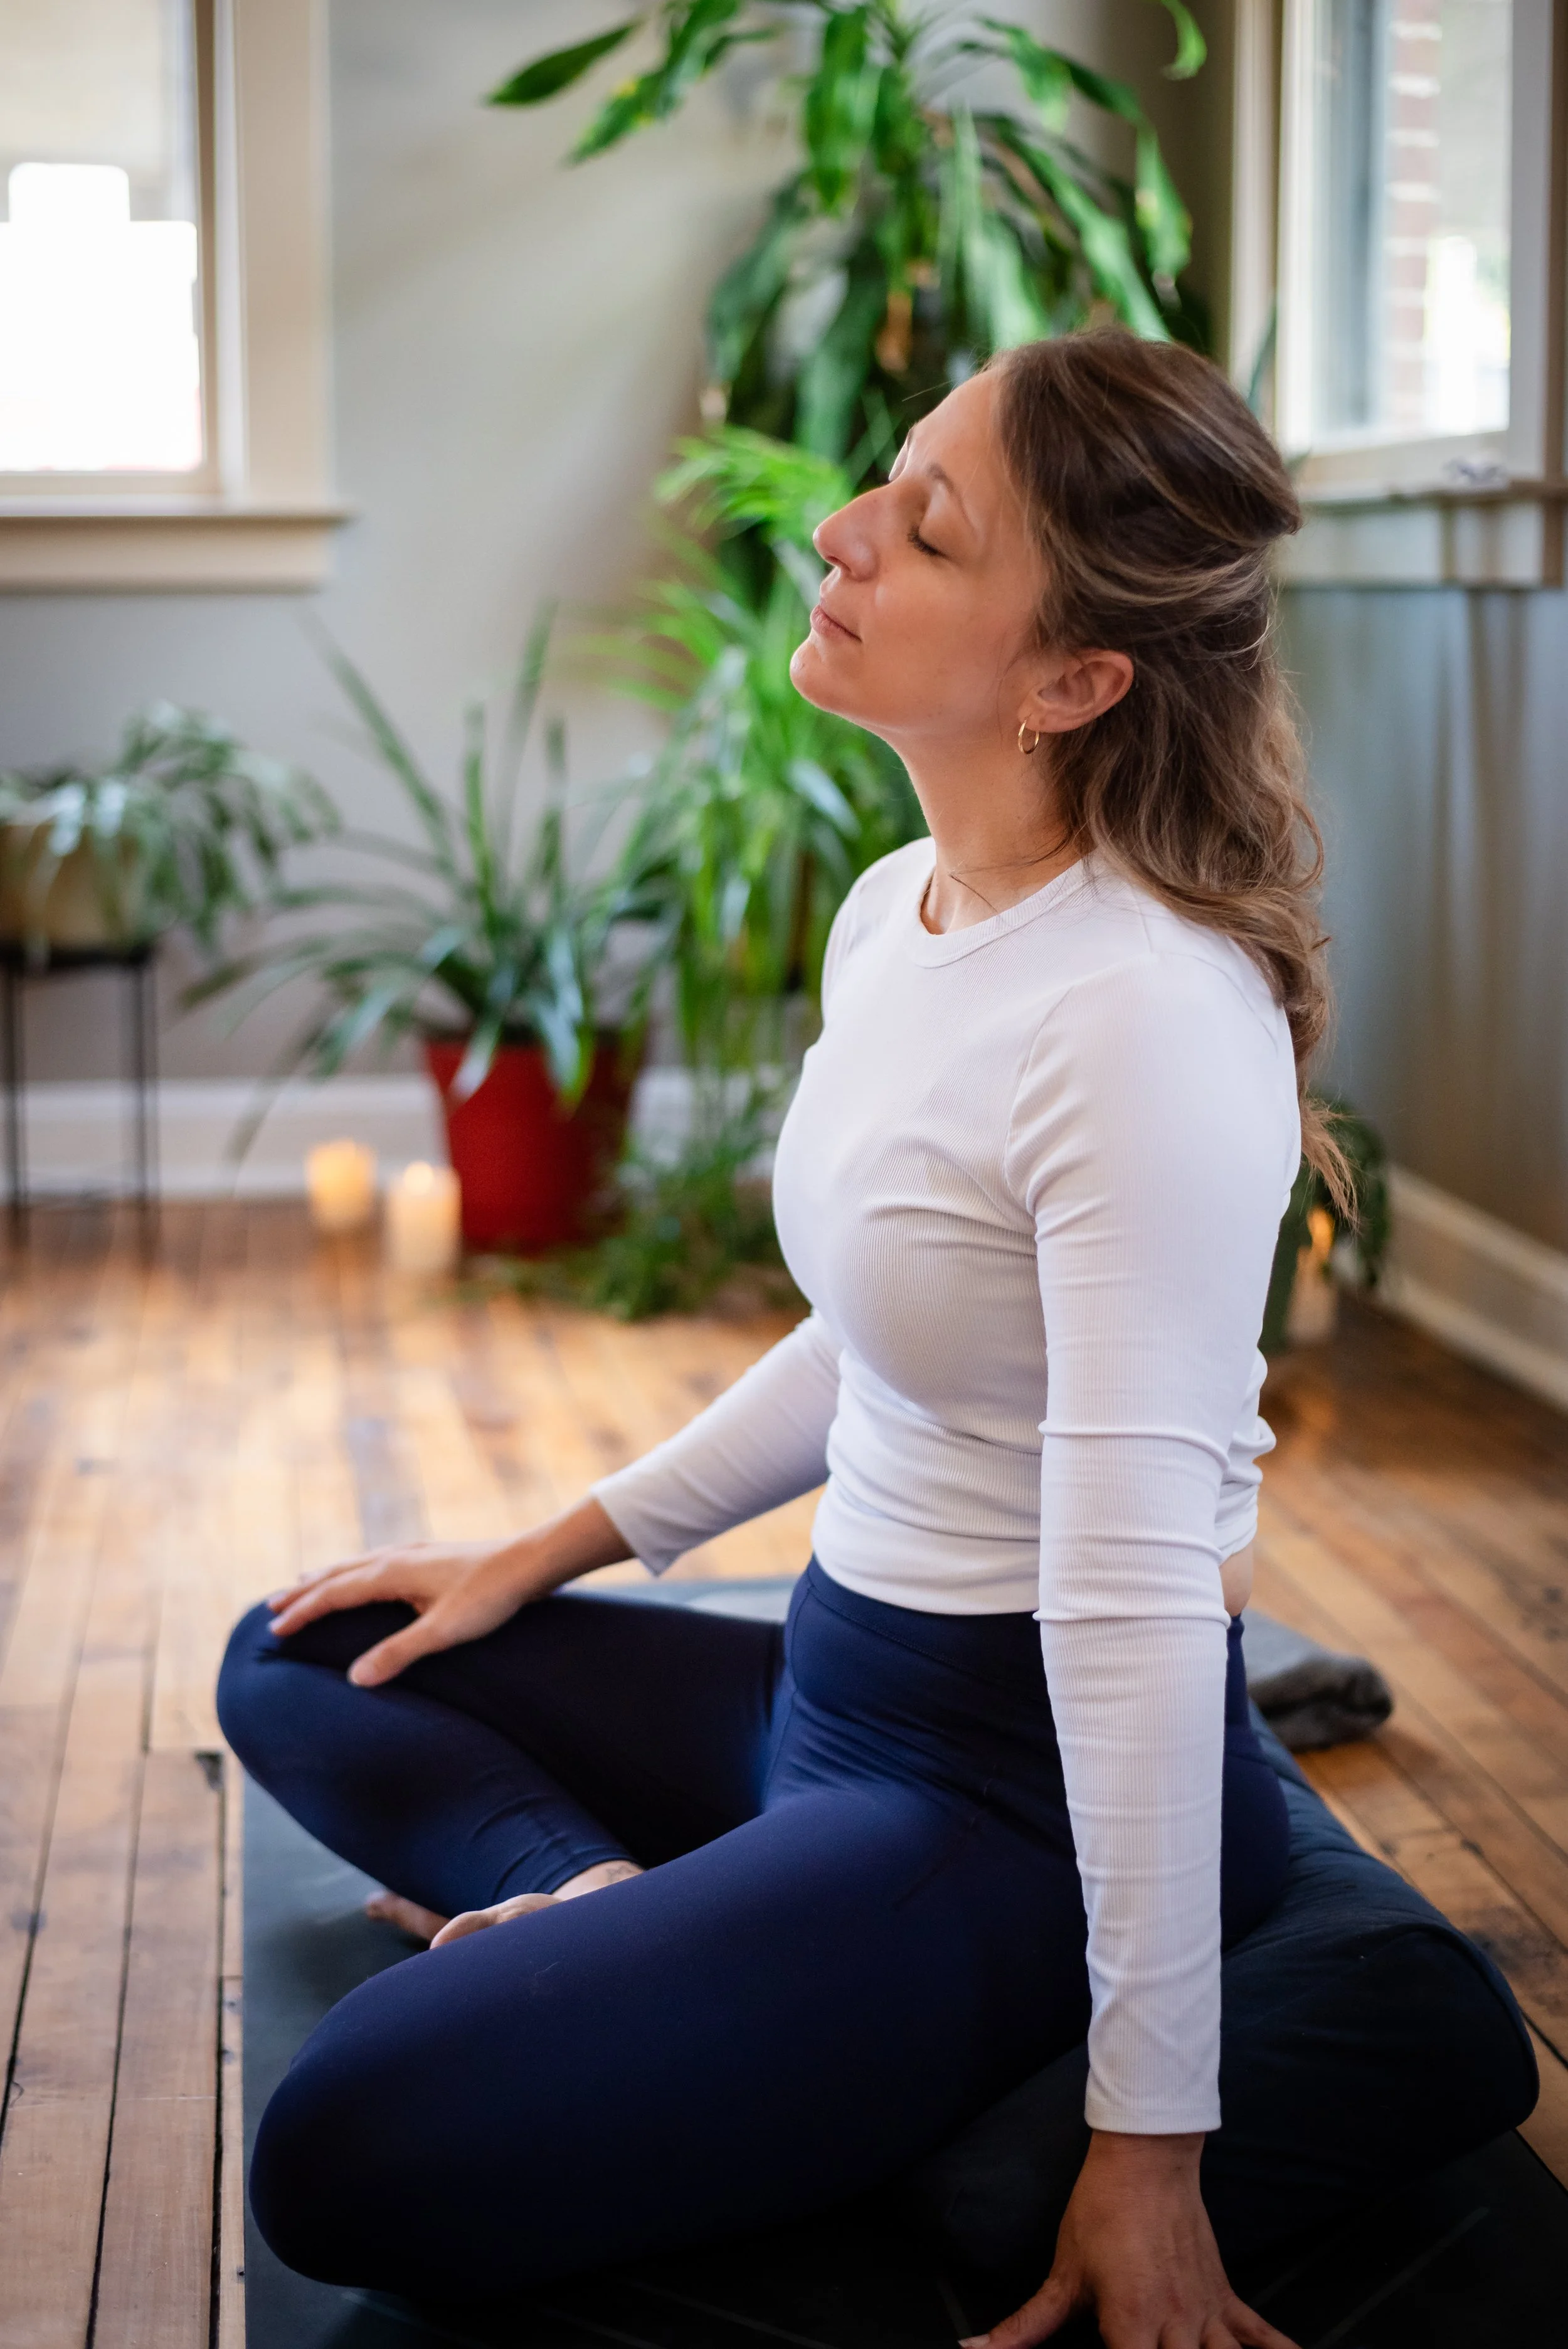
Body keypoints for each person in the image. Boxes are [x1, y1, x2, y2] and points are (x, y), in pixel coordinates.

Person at [219, 327, 1337, 2349]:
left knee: (342, 2157)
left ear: (1072, 680)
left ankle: (674, 1942)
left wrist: (1150, 2139)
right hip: (826, 1690)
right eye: (886, 478)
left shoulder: (1144, 1020)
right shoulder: (901, 904)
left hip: (1001, 1801)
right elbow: (881, 1339)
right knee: (298, 1649)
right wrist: (534, 1553)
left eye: (927, 529)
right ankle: (596, 1902)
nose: (839, 530)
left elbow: (1132, 1603)